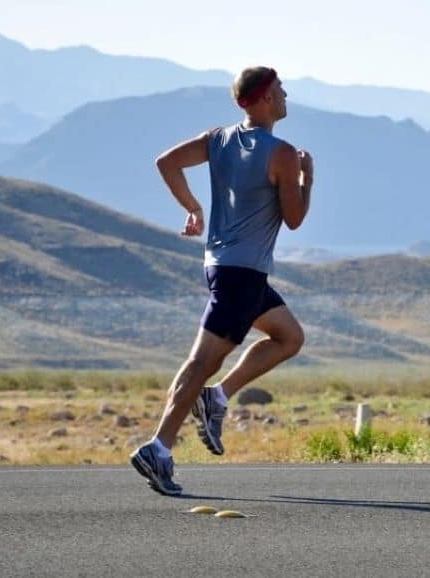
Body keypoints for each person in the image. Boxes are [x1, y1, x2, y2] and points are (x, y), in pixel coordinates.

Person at [130, 66, 313, 495]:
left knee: (289, 337)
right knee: (201, 362)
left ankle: (217, 397)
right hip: (242, 275)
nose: (286, 96)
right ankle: (158, 447)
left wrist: (193, 207)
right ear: (266, 97)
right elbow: (295, 218)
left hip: (223, 267)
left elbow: (167, 162)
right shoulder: (283, 154)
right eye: (281, 90)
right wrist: (308, 178)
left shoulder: (219, 138)